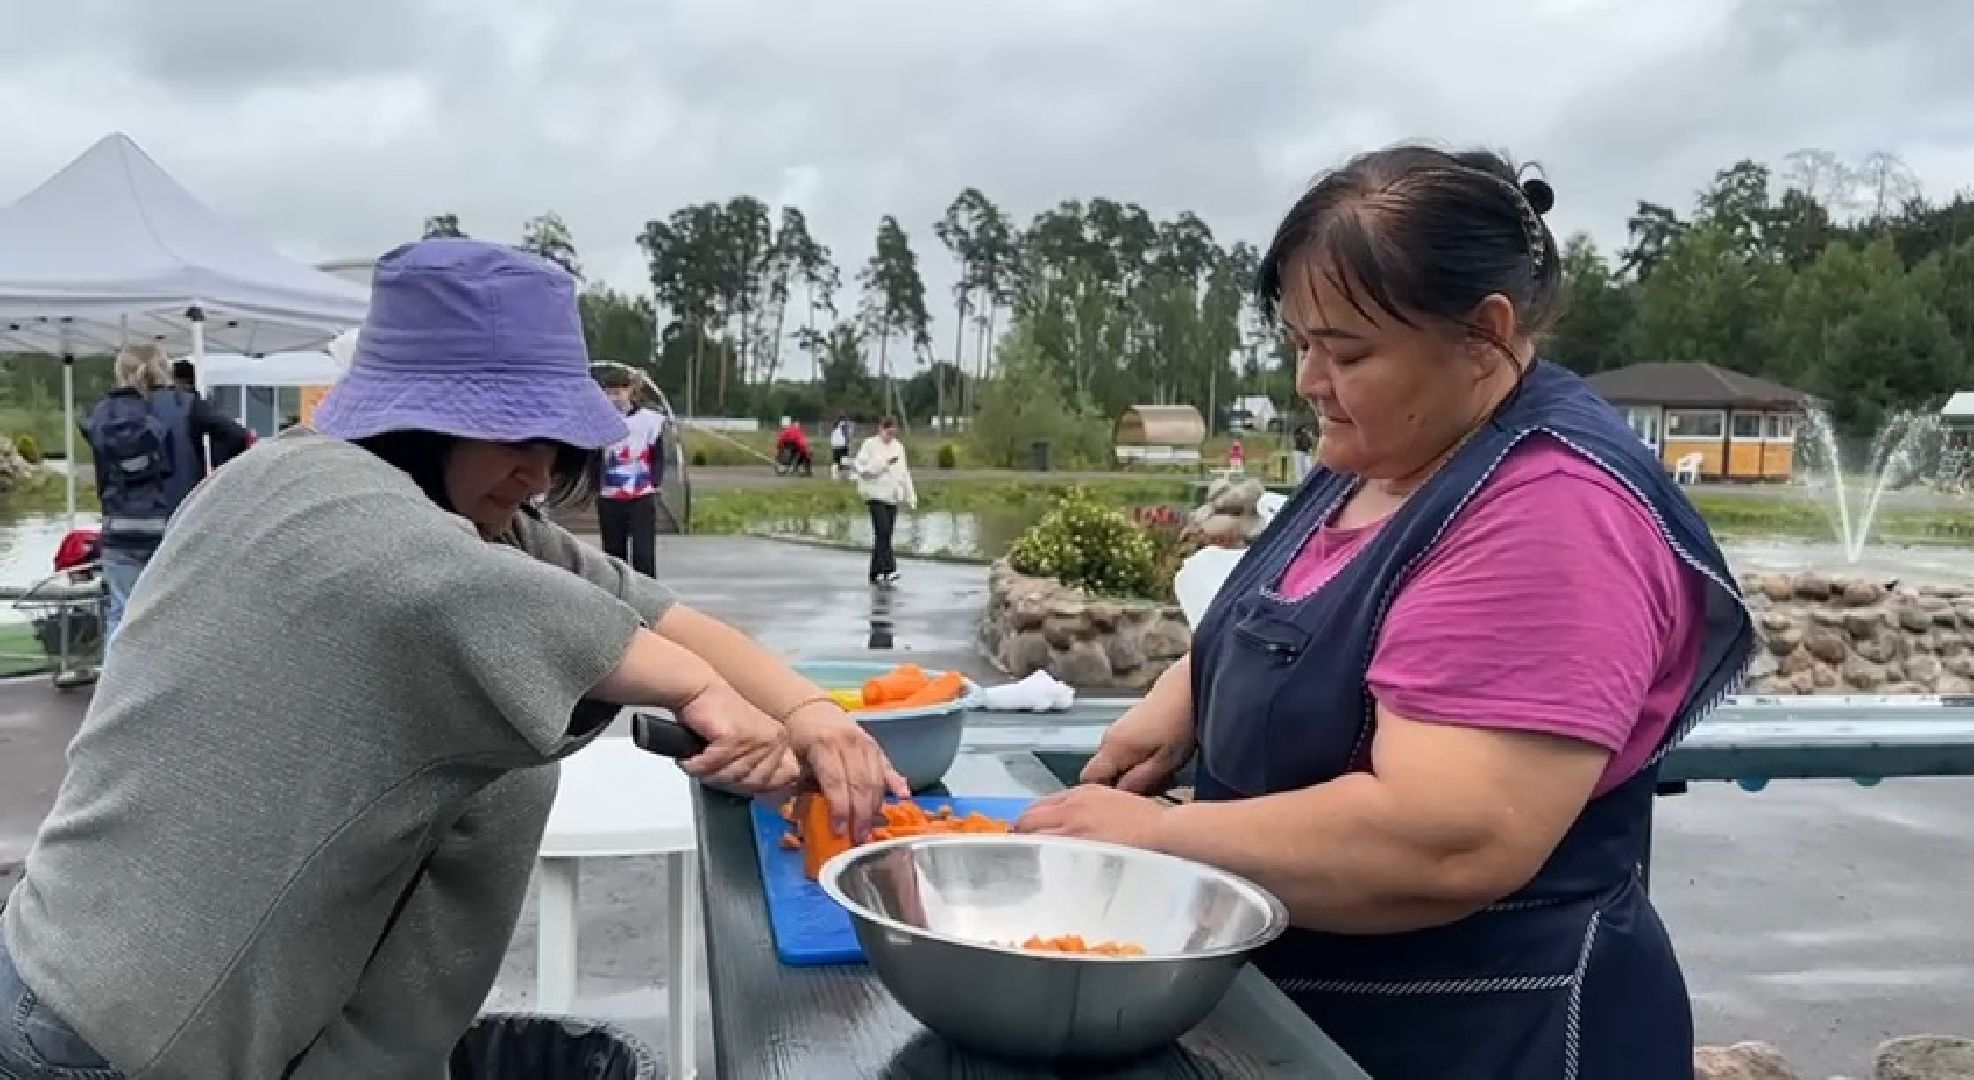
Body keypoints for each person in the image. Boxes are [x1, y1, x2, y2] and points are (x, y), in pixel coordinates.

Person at [0, 240, 905, 1079]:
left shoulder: (473, 521)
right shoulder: (322, 499)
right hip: (100, 1037)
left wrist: (811, 715)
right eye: (513, 434)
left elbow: (655, 613)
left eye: (555, 444)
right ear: (417, 420)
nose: (539, 472)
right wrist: (702, 694)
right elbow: (471, 596)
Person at [1014, 147, 1754, 1079]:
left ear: (1483, 334)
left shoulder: (1553, 517)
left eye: (1348, 351)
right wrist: (1189, 690)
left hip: (1487, 1035)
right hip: (1319, 1019)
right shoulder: (1391, 446)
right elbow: (1312, 612)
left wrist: (1156, 837)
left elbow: (1446, 837)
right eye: (1299, 342)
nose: (1308, 379)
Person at [80, 344, 253, 641]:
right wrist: (215, 474)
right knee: (181, 615)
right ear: (165, 369)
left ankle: (117, 673)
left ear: (120, 371)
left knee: (121, 615)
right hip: (175, 527)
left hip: (119, 531)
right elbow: (237, 436)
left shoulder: (102, 412)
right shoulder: (185, 404)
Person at [596, 367, 668, 577]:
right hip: (609, 496)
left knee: (643, 554)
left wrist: (655, 481)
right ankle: (617, 591)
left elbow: (658, 454)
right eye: (608, 393)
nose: (613, 398)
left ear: (629, 391)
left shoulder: (649, 421)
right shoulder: (599, 420)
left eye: (617, 393)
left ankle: (647, 591)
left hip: (640, 496)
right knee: (613, 554)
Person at [853, 415, 915, 586]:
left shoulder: (898, 447)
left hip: (891, 496)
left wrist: (910, 495)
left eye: (893, 433)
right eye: (888, 433)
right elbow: (863, 470)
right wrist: (883, 464)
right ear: (880, 429)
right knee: (883, 530)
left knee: (885, 535)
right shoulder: (869, 445)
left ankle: (875, 571)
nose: (890, 437)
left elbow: (904, 472)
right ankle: (890, 568)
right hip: (875, 495)